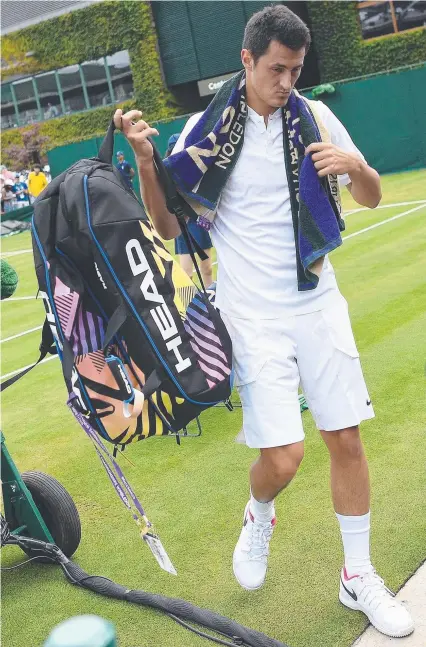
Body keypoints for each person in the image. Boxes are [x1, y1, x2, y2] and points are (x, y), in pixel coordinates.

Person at [113, 5, 414, 639]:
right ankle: (259, 513)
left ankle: (357, 575)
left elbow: (371, 193)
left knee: (346, 439)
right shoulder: (203, 128)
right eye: (277, 69)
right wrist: (146, 162)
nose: (287, 83)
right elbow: (168, 228)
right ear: (246, 61)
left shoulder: (315, 116)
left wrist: (354, 168)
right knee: (282, 459)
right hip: (248, 314)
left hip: (317, 300)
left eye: (296, 70)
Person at [166, 133, 214, 287]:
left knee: (207, 268)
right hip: (182, 225)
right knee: (187, 273)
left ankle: (212, 299)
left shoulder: (197, 168)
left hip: (199, 221)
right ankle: (192, 306)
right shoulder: (167, 172)